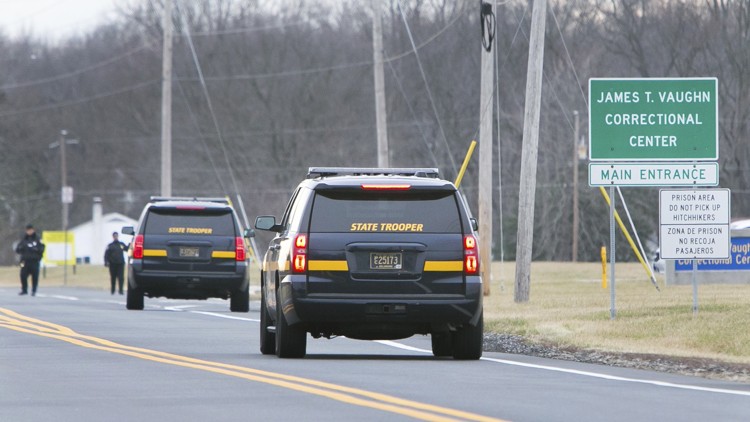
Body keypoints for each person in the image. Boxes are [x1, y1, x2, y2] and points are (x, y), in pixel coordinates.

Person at [15, 224, 45, 296]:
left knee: (35, 276)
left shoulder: (38, 239)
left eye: (31, 230)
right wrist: (21, 249)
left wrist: (37, 252)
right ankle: (24, 290)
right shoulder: (23, 239)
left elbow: (42, 248)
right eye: (28, 230)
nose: (29, 232)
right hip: (24, 261)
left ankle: (34, 290)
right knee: (22, 275)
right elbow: (17, 249)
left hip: (34, 261)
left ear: (33, 230)